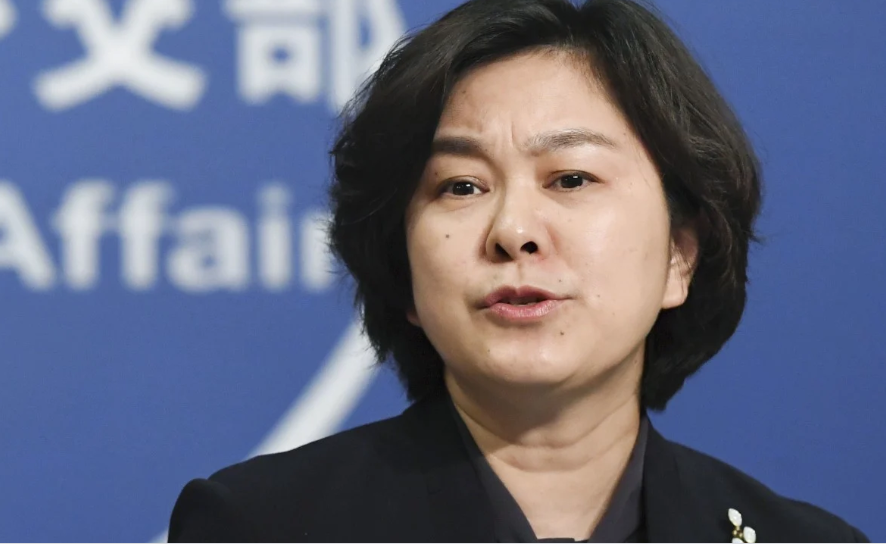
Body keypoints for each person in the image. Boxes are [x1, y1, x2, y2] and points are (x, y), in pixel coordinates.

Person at [167, 0, 868, 541]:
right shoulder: (262, 526)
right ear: (402, 270)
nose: (513, 231)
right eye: (461, 186)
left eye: (571, 178)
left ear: (679, 257)